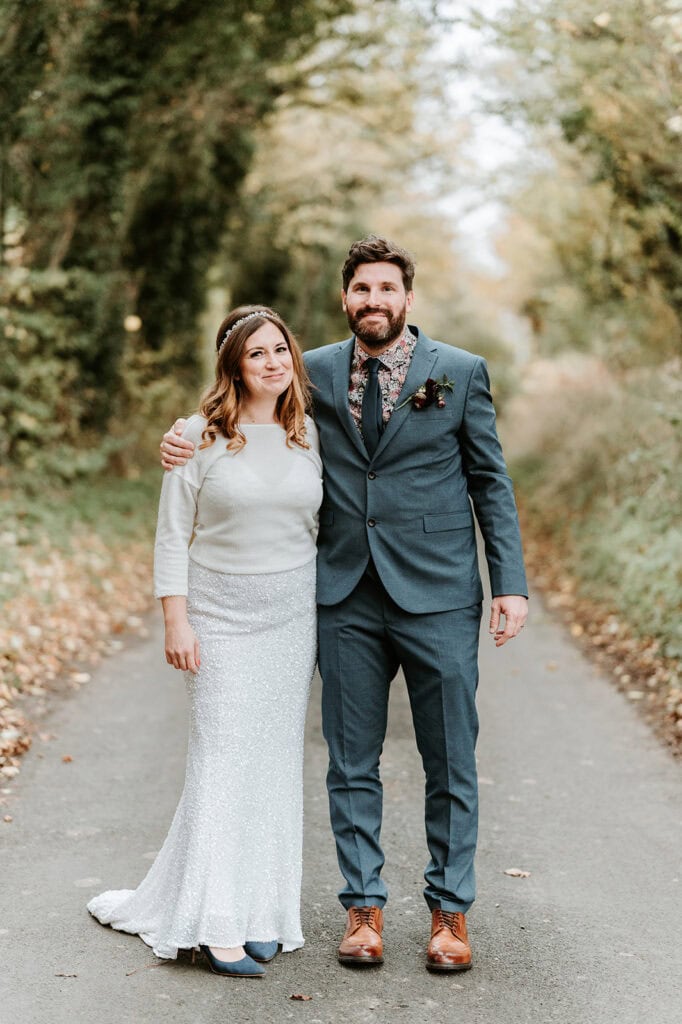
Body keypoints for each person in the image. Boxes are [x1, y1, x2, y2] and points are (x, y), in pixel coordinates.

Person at [161, 236, 528, 973]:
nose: (373, 302)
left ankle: (449, 914)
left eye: (387, 289)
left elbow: (489, 481)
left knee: (450, 757)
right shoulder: (314, 373)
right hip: (344, 595)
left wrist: (509, 583)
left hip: (440, 594)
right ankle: (363, 908)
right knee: (350, 760)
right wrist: (178, 434)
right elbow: (245, 417)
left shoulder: (458, 373)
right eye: (361, 289)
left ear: (407, 298)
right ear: (344, 298)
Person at [88, 306, 323, 978]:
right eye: (257, 354)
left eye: (281, 350)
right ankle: (215, 924)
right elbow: (171, 535)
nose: (273, 363)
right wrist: (176, 620)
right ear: (233, 366)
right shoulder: (196, 437)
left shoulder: (309, 434)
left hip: (290, 621)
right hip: (219, 618)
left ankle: (263, 912)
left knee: (273, 763)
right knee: (222, 758)